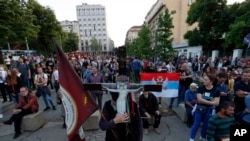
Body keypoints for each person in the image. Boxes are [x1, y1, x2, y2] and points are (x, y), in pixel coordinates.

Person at [189, 75, 220, 141]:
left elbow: (217, 103)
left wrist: (204, 101)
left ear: (211, 81)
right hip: (199, 108)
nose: (203, 81)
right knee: (196, 123)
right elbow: (199, 99)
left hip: (209, 110)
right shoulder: (201, 88)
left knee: (206, 124)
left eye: (206, 80)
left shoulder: (216, 90)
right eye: (204, 79)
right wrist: (211, 102)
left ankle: (202, 137)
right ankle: (192, 138)